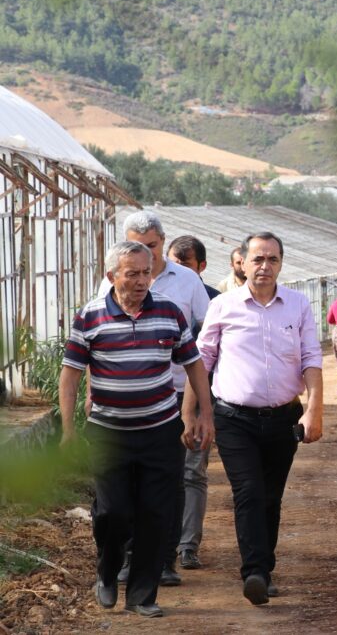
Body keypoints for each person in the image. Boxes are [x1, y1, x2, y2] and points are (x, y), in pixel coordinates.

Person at [59, 241, 214, 618]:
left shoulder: (169, 312)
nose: (143, 280)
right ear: (113, 275)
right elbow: (70, 376)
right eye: (133, 273)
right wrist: (68, 430)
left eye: (147, 272)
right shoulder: (89, 317)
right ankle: (108, 572)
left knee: (155, 513)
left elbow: (193, 364)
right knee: (113, 512)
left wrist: (203, 415)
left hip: (161, 430)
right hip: (107, 433)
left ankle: (143, 595)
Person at [196, 231, 323, 606]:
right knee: (249, 492)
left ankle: (264, 569)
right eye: (258, 259)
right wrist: (194, 413)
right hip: (234, 418)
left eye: (272, 260)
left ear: (281, 264)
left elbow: (312, 358)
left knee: (270, 496)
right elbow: (201, 361)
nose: (264, 266)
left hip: (284, 418)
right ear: (242, 262)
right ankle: (254, 572)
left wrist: (315, 409)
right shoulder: (223, 306)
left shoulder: (297, 305)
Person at [99, 211, 209, 588]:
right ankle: (132, 557)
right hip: (126, 398)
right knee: (132, 482)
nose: (144, 254)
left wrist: (197, 405)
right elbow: (95, 335)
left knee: (177, 478)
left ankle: (167, 557)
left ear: (163, 242)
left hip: (178, 391)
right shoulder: (110, 282)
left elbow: (205, 337)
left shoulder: (189, 281)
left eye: (151, 246)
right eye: (136, 246)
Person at [167, 235, 220, 572]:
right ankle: (164, 544)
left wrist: (206, 404)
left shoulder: (216, 303)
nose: (179, 269)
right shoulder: (154, 291)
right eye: (175, 262)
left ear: (201, 266)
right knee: (164, 473)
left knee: (192, 471)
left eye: (186, 263)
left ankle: (188, 545)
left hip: (198, 394)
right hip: (159, 395)